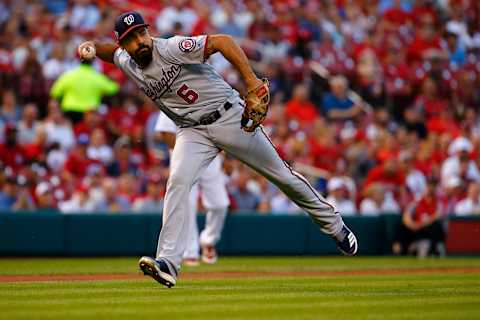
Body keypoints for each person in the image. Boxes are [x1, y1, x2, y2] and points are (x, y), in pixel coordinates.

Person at [78, 11, 358, 288]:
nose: (140, 41)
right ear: (123, 44)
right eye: (131, 38)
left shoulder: (171, 48)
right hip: (191, 131)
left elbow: (222, 41)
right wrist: (90, 48)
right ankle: (168, 264)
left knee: (282, 177)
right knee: (177, 182)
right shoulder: (127, 61)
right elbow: (108, 52)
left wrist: (251, 81)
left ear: (148, 32)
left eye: (142, 33)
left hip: (228, 118)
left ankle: (334, 225)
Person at [155, 111, 230, 265]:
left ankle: (208, 240)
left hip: (211, 156)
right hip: (185, 158)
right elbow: (165, 132)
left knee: (220, 203)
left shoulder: (209, 94)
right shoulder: (172, 96)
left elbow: (222, 129)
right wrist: (187, 153)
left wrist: (226, 155)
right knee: (187, 204)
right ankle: (190, 251)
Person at [50, 54, 119, 124]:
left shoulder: (69, 75)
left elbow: (55, 92)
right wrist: (113, 79)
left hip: (70, 111)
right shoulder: (97, 77)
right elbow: (113, 89)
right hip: (89, 114)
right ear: (93, 61)